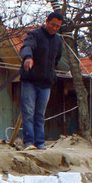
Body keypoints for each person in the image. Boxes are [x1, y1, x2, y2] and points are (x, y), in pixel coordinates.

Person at [19, 11, 63, 150]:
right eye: (53, 25)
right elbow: (27, 47)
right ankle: (28, 142)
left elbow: (57, 59)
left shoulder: (58, 41)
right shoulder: (35, 35)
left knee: (40, 115)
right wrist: (28, 58)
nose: (55, 28)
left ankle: (40, 143)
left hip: (46, 83)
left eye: (58, 26)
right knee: (28, 113)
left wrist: (50, 72)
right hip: (30, 81)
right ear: (47, 22)